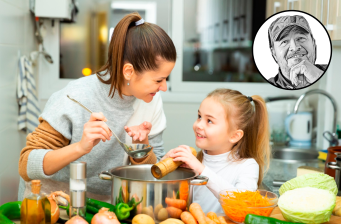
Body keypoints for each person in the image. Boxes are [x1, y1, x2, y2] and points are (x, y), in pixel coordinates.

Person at [18, 12, 176, 202]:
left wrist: (142, 150)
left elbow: (156, 168)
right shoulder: (75, 96)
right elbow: (26, 165)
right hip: (53, 201)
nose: (164, 87)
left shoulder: (152, 100)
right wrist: (80, 147)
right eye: (159, 79)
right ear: (129, 72)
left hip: (104, 205)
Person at [163, 89, 270, 213]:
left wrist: (201, 170)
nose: (198, 125)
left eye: (209, 121)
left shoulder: (247, 166)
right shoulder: (195, 161)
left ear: (234, 136)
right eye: (199, 116)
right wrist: (166, 165)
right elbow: (171, 200)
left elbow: (242, 205)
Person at [267, 15, 327, 89]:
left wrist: (319, 77)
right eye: (284, 42)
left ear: (314, 44)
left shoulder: (334, 72)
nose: (294, 48)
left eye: (301, 38)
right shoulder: (265, 87)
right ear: (274, 53)